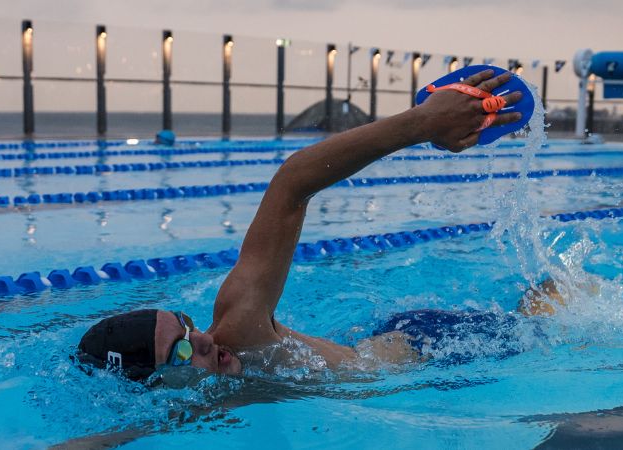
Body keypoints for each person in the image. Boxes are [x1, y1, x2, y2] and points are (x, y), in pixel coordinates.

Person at [77, 69, 531, 382]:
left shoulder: (241, 335)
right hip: (389, 352)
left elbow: (292, 185)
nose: (200, 338)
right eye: (180, 350)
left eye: (186, 325)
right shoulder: (189, 402)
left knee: (543, 323)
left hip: (431, 347)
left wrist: (421, 123)